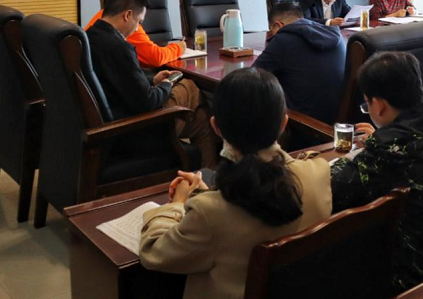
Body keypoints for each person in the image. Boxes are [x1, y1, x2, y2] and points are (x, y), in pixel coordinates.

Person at [139, 68, 332, 298]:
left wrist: (177, 204)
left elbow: (153, 252)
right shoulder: (319, 174)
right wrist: (209, 193)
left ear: (216, 127)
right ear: (283, 123)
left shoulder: (209, 212)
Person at [330, 52, 423, 292]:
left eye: (367, 103)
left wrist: (371, 146)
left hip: (410, 276)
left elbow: (333, 187)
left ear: (379, 105)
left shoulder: (386, 152)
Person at [86, 0, 217, 166]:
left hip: (109, 121)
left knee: (202, 118)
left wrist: (152, 80)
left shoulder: (89, 36)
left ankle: (205, 177)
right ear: (127, 15)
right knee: (190, 86)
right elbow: (148, 101)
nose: (137, 28)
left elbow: (118, 79)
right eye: (139, 22)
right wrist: (167, 84)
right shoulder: (120, 47)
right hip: (132, 131)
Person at [252, 1, 345, 124]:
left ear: (278, 25)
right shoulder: (337, 37)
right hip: (337, 124)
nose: (271, 35)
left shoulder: (282, 40)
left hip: (301, 124)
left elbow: (252, 78)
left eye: (271, 30)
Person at [85, 0, 186, 68]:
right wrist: (178, 48)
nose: (137, 27)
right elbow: (155, 57)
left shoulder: (101, 19)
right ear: (128, 14)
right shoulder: (124, 29)